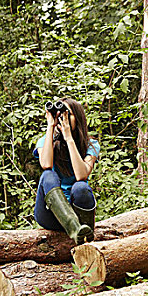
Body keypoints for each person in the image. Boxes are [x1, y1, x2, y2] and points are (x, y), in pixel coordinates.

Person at [33, 98, 100, 245]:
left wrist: (69, 138)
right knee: (48, 175)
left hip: (79, 213)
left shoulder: (91, 144)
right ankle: (75, 230)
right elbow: (46, 164)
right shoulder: (45, 141)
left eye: (66, 114)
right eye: (58, 115)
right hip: (50, 215)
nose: (62, 119)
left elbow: (81, 175)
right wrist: (51, 126)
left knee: (81, 186)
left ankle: (81, 232)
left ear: (78, 117)